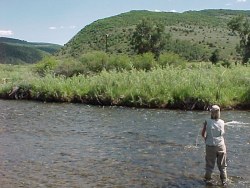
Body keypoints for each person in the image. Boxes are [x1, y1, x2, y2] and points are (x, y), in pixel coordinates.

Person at [201, 105, 227, 186]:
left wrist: (206, 139)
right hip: (221, 146)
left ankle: (207, 182)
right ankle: (224, 182)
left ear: (211, 112)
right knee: (222, 167)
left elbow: (203, 134)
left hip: (210, 146)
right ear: (219, 113)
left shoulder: (207, 121)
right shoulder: (222, 122)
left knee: (209, 166)